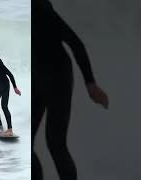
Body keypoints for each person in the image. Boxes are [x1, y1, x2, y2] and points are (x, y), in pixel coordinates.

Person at [33, 0, 109, 180]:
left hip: (58, 78)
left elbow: (76, 43)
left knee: (55, 143)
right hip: (37, 77)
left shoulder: (40, 10)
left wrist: (90, 84)